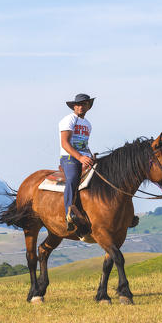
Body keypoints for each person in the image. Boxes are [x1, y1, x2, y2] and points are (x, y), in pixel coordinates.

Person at [59, 93, 95, 231]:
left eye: (84, 104)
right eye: (78, 104)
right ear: (74, 106)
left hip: (85, 157)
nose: (81, 107)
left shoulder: (88, 124)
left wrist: (90, 157)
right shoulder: (68, 120)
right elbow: (65, 143)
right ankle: (69, 212)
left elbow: (84, 144)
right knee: (73, 178)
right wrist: (80, 158)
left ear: (88, 106)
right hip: (69, 158)